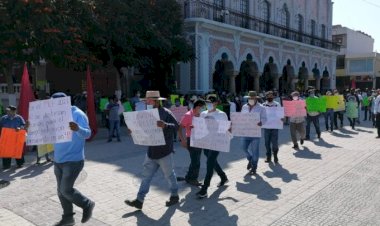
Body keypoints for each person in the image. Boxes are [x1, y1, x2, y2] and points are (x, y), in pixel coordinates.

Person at [125, 91, 180, 209]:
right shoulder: (144, 114)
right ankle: (139, 200)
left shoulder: (166, 113)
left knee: (169, 175)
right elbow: (140, 129)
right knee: (145, 176)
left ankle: (175, 196)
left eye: (149, 100)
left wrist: (165, 125)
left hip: (165, 151)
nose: (147, 102)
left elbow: (177, 126)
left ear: (156, 101)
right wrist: (132, 131)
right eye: (146, 101)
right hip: (151, 152)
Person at [49, 92, 95, 226]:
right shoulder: (54, 116)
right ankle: (68, 218)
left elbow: (88, 134)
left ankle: (87, 204)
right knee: (61, 191)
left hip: (73, 160)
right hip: (58, 160)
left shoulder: (78, 114)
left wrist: (77, 128)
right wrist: (30, 129)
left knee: (65, 190)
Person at [197, 96, 229, 198]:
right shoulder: (203, 114)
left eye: (211, 102)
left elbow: (226, 128)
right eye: (207, 103)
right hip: (206, 142)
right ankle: (223, 177)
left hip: (217, 142)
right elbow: (200, 127)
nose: (208, 104)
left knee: (209, 163)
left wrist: (228, 129)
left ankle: (204, 189)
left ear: (216, 103)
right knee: (212, 160)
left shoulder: (221, 114)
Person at [178, 99, 206, 186]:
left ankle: (188, 177)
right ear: (197, 107)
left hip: (200, 140)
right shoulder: (188, 115)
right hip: (191, 140)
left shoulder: (201, 115)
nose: (203, 109)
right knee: (196, 162)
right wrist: (182, 140)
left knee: (194, 160)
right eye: (202, 107)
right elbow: (179, 128)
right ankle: (193, 179)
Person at [241, 91, 266, 175]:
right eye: (250, 98)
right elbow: (241, 117)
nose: (251, 99)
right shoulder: (244, 107)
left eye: (253, 98)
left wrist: (261, 122)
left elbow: (264, 118)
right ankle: (250, 159)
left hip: (255, 132)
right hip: (246, 131)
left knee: (255, 150)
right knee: (243, 148)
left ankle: (254, 167)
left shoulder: (261, 108)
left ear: (256, 98)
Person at [0, 105, 27, 169]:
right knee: (6, 151)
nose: (8, 112)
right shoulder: (3, 118)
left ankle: (20, 163)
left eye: (9, 111)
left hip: (16, 137)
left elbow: (23, 125)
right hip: (6, 138)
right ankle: (6, 165)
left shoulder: (19, 118)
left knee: (17, 150)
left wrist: (20, 128)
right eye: (7, 111)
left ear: (14, 111)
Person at [262, 91, 282, 163]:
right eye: (268, 96)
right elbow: (261, 114)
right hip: (266, 127)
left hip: (275, 127)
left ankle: (275, 155)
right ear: (266, 97)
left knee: (275, 143)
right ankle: (268, 156)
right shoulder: (263, 105)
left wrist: (282, 118)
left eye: (271, 96)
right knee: (266, 143)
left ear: (273, 97)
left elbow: (280, 115)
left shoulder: (277, 104)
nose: (270, 97)